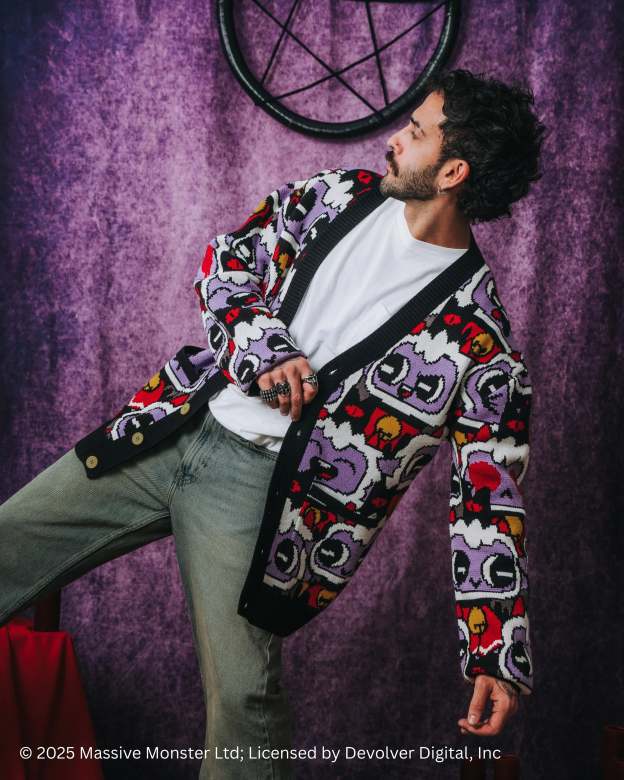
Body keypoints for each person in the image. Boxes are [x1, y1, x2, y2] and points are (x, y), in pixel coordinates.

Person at [0, 68, 545, 779]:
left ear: (452, 172)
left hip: (261, 502)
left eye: (415, 133)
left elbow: (487, 499)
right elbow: (228, 261)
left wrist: (496, 652)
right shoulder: (336, 196)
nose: (393, 139)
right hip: (173, 428)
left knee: (243, 705)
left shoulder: (482, 342)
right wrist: (261, 345)